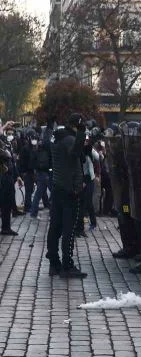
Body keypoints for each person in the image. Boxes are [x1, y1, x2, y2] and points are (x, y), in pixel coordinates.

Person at [47, 113, 87, 278]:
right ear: (77, 125)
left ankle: (54, 263)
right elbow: (75, 153)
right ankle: (67, 265)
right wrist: (81, 135)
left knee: (55, 227)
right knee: (68, 230)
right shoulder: (69, 139)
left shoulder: (56, 138)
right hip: (69, 189)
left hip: (57, 187)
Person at [29, 126, 52, 219]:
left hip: (41, 172)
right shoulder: (44, 146)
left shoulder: (37, 147)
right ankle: (35, 212)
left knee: (39, 193)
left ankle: (34, 212)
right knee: (45, 192)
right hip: (44, 172)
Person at [0, 148, 17, 236]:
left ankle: (6, 228)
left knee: (7, 207)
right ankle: (5, 228)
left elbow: (12, 164)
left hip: (8, 181)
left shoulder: (4, 146)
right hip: (4, 182)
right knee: (5, 206)